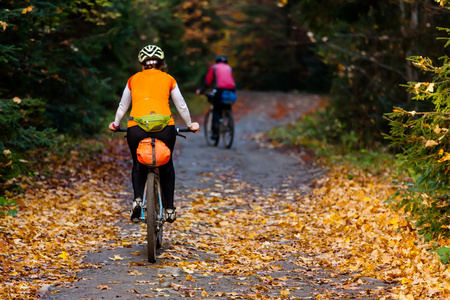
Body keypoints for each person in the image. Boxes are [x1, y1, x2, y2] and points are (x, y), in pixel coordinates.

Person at [109, 45, 199, 223]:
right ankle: (170, 209)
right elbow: (181, 105)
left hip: (137, 128)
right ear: (161, 63)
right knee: (166, 164)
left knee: (137, 162)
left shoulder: (133, 79)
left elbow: (123, 105)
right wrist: (190, 124)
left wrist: (116, 124)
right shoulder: (169, 79)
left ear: (142, 64)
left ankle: (136, 199)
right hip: (165, 128)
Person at [196, 55, 236, 140]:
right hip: (231, 91)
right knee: (227, 105)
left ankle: (215, 133)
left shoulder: (214, 67)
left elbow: (208, 81)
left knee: (216, 110)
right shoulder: (229, 68)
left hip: (220, 90)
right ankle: (228, 121)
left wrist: (201, 90)